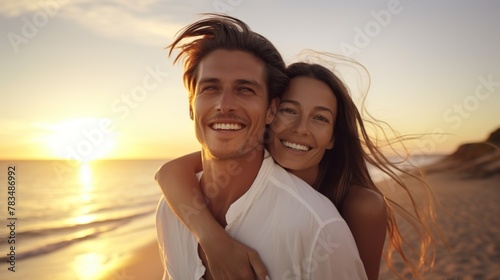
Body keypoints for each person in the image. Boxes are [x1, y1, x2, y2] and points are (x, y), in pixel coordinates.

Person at [156, 53, 441, 278]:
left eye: (320, 118)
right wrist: (210, 237)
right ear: (270, 114)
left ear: (332, 137)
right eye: (289, 111)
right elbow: (169, 172)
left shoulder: (359, 205)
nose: (300, 129)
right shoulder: (249, 159)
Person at [155, 14, 368, 280]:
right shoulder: (170, 209)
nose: (224, 104)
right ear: (191, 105)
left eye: (245, 90)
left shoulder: (319, 229)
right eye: (210, 87)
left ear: (271, 110)